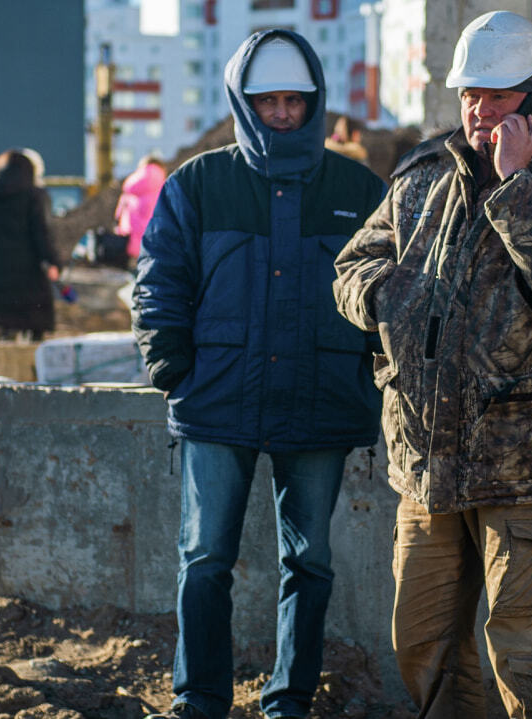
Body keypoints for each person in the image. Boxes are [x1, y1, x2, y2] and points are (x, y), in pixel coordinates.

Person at [333, 11, 532, 718]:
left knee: (530, 653)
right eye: (470, 94)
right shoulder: (423, 176)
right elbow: (353, 264)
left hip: (523, 470)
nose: (479, 110)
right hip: (427, 464)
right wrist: (389, 296)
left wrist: (516, 183)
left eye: (496, 97)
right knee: (423, 644)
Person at [132, 29, 386, 719]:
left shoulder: (359, 189)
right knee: (205, 556)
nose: (281, 113)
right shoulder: (199, 183)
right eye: (267, 100)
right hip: (217, 401)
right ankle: (201, 698)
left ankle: (290, 699)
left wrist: (372, 378)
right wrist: (171, 365)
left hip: (322, 399)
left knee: (310, 562)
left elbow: (393, 291)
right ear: (243, 102)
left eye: (293, 102)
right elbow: (158, 280)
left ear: (314, 103)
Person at [0, 149, 61, 340]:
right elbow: (41, 231)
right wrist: (52, 261)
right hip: (26, 266)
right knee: (32, 311)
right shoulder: (34, 194)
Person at [114, 155, 167, 265]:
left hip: (129, 240)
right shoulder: (165, 187)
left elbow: (118, 215)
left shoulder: (130, 185)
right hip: (155, 242)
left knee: (134, 274)